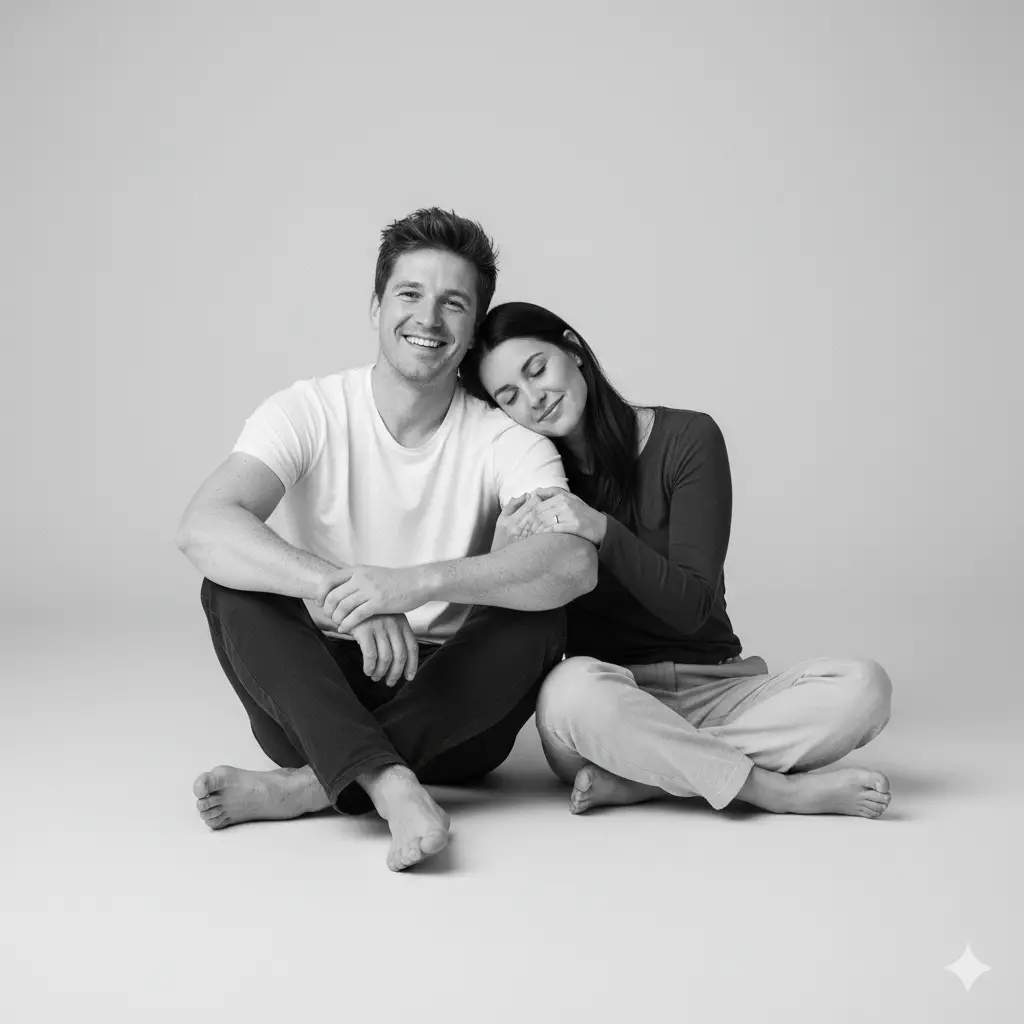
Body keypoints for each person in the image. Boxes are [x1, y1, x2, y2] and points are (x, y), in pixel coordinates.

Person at [175, 212, 597, 871]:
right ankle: (390, 781)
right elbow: (203, 524)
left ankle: (311, 787)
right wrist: (345, 593)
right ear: (377, 306)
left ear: (472, 329)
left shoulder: (506, 438)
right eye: (410, 294)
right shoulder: (308, 410)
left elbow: (574, 563)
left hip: (455, 708)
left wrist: (411, 585)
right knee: (229, 585)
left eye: (453, 303)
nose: (428, 318)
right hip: (316, 696)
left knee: (541, 611)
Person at [459, 301, 893, 819]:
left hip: (720, 691)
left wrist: (601, 529)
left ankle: (650, 777)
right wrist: (500, 553)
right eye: (509, 396)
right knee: (566, 693)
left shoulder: (688, 438)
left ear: (572, 350)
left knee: (865, 688)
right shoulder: (531, 483)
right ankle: (773, 790)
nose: (535, 398)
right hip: (612, 702)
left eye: (537, 369)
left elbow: (692, 607)